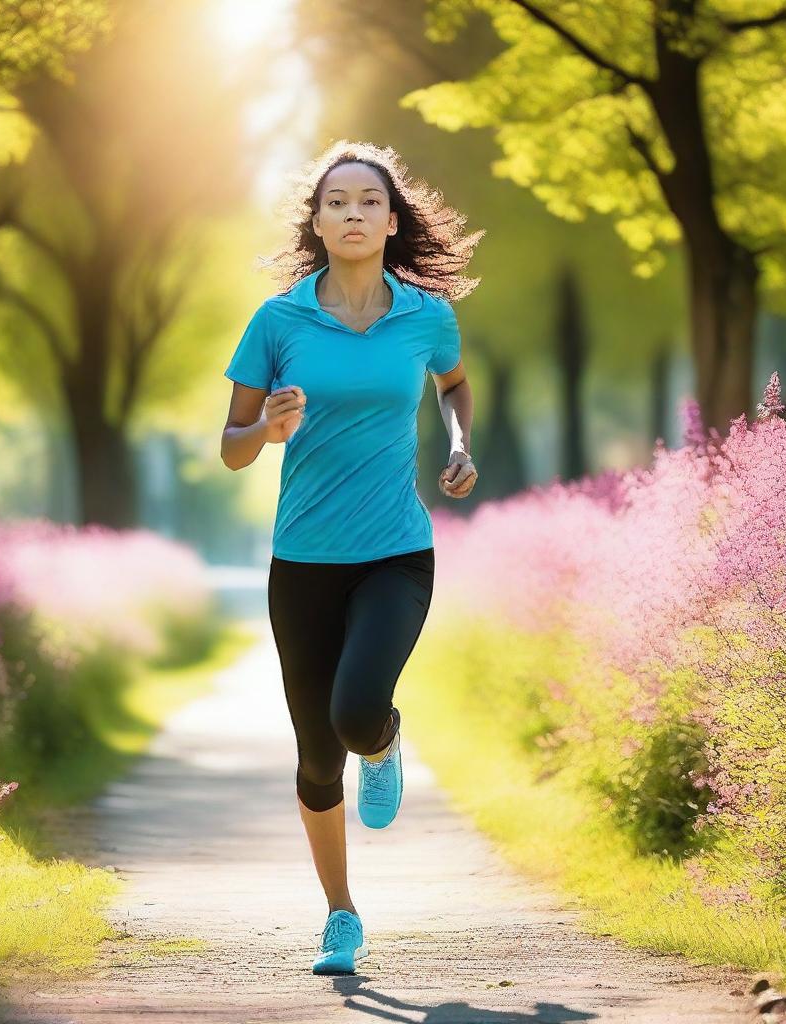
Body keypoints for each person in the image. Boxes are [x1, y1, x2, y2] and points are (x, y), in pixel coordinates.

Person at [220, 140, 481, 975]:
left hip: (397, 552)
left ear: (391, 219)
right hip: (302, 561)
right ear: (319, 222)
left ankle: (384, 739)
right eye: (338, 201)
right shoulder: (278, 321)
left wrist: (460, 440)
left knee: (357, 711)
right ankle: (341, 914)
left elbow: (452, 382)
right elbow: (230, 446)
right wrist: (268, 431)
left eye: (370, 200)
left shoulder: (425, 316)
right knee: (312, 755)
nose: (354, 213)